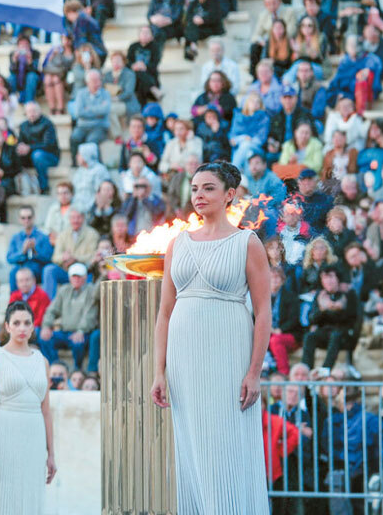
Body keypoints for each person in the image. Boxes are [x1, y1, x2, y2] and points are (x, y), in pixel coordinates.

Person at [151, 162, 272, 513]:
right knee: (191, 450)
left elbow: (263, 312)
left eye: (208, 188)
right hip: (183, 360)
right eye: (194, 189)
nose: (199, 195)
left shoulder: (246, 242)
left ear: (229, 194)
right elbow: (165, 312)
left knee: (225, 444)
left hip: (228, 354)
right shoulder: (178, 243)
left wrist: (254, 372)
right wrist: (159, 371)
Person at [0, 301, 56, 514]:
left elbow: (46, 411)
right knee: (5, 495)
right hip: (5, 433)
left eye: (27, 323)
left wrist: (51, 454)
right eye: (16, 323)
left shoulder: (42, 361)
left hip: (34, 436)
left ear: (33, 327)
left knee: (32, 497)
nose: (22, 328)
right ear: (7, 326)